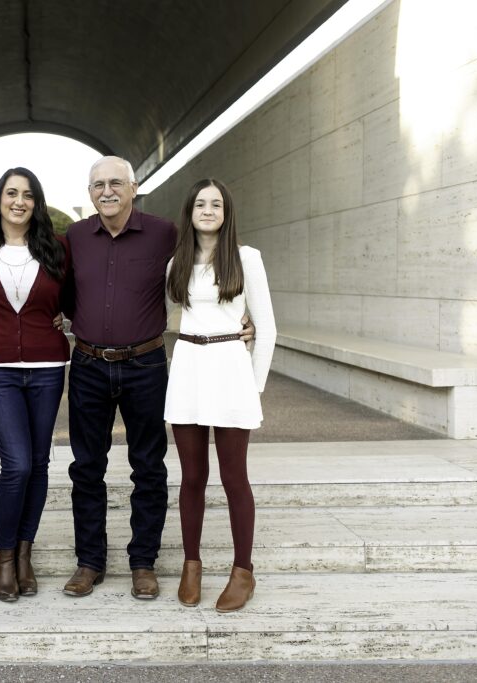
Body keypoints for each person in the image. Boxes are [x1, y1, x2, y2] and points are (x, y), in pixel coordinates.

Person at [62, 156, 253, 600]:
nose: (106, 191)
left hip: (146, 365)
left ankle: (143, 563)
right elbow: (62, 290)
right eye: (97, 185)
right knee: (86, 468)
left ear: (133, 187)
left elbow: (215, 259)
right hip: (89, 363)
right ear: (89, 193)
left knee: (148, 467)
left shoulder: (166, 233)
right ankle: (89, 561)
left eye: (115, 183)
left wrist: (245, 317)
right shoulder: (75, 236)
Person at [0, 168, 70, 602]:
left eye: (27, 194)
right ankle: (4, 557)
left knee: (39, 463)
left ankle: (25, 553)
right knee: (17, 464)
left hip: (46, 366)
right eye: (11, 193)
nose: (19, 201)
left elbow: (78, 296)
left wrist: (69, 319)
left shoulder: (58, 248)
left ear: (36, 202)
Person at [164, 179, 276, 613]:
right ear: (189, 211)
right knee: (192, 476)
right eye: (200, 203)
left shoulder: (247, 259)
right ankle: (191, 565)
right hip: (189, 366)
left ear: (227, 212)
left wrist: (255, 384)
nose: (207, 210)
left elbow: (266, 328)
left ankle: (242, 572)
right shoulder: (177, 261)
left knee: (234, 477)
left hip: (231, 369)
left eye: (216, 204)